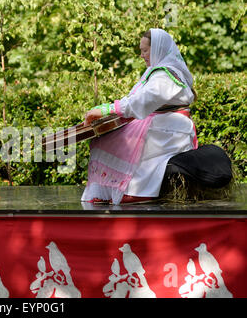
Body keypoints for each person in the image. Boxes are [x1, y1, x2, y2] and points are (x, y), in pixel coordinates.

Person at [81, 29, 198, 205]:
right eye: (141, 50)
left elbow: (142, 101)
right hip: (162, 124)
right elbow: (135, 99)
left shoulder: (166, 75)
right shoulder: (157, 71)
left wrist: (108, 110)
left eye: (145, 50)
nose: (141, 55)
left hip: (170, 129)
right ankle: (110, 190)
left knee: (113, 139)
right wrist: (108, 109)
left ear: (157, 49)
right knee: (104, 138)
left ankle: (136, 191)